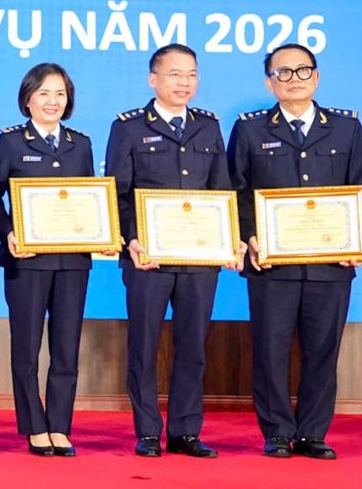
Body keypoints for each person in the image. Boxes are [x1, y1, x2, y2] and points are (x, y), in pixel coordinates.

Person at [227, 43, 362, 459]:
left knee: (323, 351)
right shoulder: (250, 130)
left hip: (330, 265)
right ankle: (276, 432)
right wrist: (250, 235)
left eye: (302, 70)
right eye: (283, 73)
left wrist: (361, 235)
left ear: (317, 76)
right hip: (271, 265)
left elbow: (360, 187)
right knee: (270, 351)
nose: (294, 79)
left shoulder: (346, 128)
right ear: (269, 82)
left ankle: (312, 433)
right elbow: (235, 192)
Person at [105, 43, 236, 459]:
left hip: (199, 260)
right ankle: (147, 431)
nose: (185, 82)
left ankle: (185, 431)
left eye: (192, 74)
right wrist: (132, 240)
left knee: (193, 345)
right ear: (153, 79)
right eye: (175, 74)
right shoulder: (127, 127)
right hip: (149, 259)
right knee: (144, 346)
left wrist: (227, 237)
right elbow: (118, 193)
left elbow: (222, 190)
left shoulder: (209, 126)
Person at [0, 62, 105, 457]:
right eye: (43, 93)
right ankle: (34, 426)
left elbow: (90, 200)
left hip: (73, 261)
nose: (52, 101)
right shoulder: (9, 143)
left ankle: (60, 425)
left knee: (66, 348)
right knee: (26, 348)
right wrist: (7, 233)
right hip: (27, 261)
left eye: (59, 93)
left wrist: (102, 234)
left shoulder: (82, 143)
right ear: (27, 99)